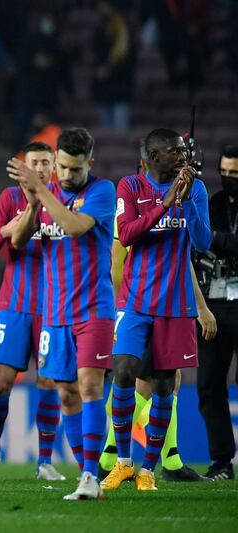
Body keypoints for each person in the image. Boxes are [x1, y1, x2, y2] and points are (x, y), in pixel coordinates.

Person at [101, 128, 211, 491]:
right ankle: (121, 462)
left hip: (176, 303)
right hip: (134, 301)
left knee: (165, 386)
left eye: (183, 150)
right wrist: (165, 204)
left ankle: (148, 469)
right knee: (123, 370)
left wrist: (188, 199)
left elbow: (202, 241)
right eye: (174, 151)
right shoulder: (130, 187)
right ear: (153, 156)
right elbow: (128, 234)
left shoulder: (194, 188)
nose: (182, 155)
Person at [8, 128, 115, 500]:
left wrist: (42, 191)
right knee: (66, 393)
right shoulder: (48, 193)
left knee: (88, 386)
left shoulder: (101, 192)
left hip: (94, 310)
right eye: (62, 168)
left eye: (74, 169)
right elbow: (18, 242)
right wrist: (34, 204)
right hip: (54, 312)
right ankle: (87, 474)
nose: (67, 176)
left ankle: (90, 475)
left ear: (90, 163)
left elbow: (73, 227)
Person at [0, 142, 65, 482]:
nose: (40, 168)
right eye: (34, 162)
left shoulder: (63, 200)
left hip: (53, 307)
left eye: (46, 162)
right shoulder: (9, 197)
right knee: (1, 382)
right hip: (14, 304)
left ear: (54, 165)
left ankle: (45, 461)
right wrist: (8, 227)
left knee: (48, 381)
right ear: (23, 166)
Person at [196, 144, 238, 481]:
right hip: (215, 306)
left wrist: (216, 239)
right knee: (209, 385)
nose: (228, 179)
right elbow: (198, 243)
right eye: (224, 173)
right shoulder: (214, 203)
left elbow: (208, 239)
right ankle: (221, 462)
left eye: (234, 174)